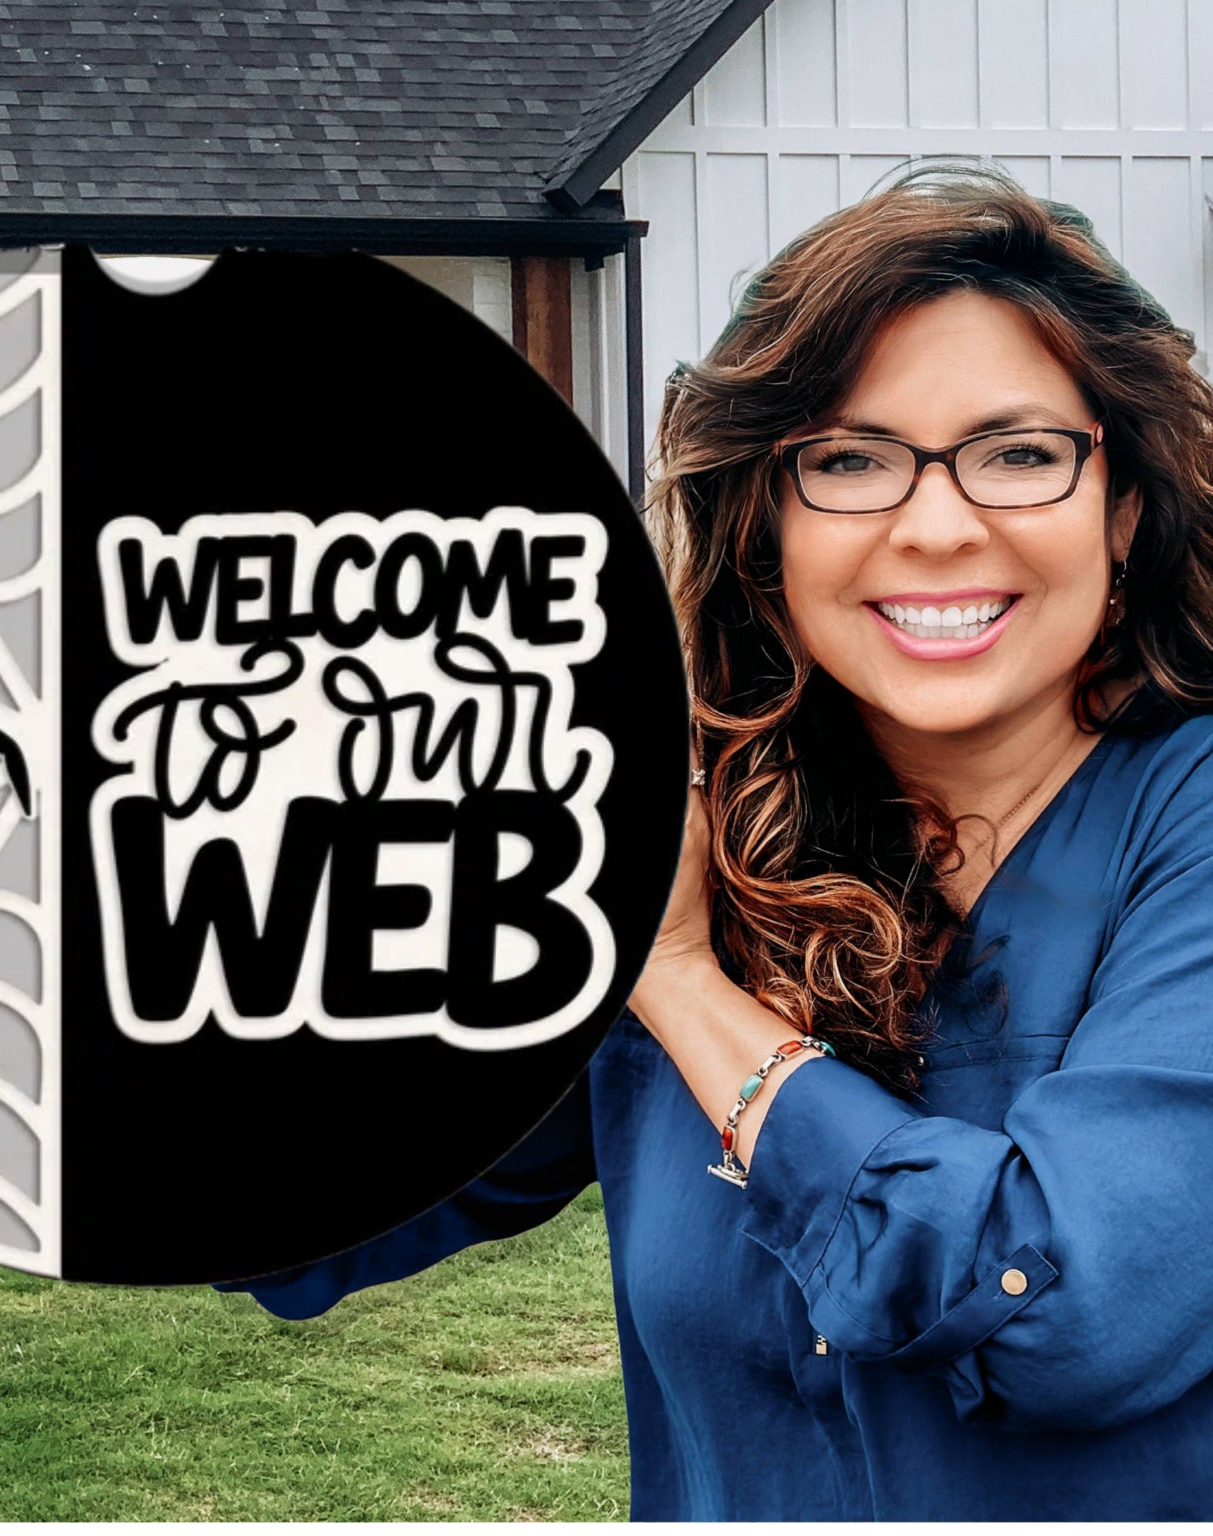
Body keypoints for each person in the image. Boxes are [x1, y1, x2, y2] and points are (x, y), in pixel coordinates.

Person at [216, 161, 1213, 1520]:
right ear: (767, 525)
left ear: (1127, 505)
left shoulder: (1186, 825)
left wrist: (683, 984)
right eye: (849, 461)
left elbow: (1068, 1309)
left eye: (1019, 453)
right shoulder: (704, 827)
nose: (934, 525)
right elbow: (320, 1197)